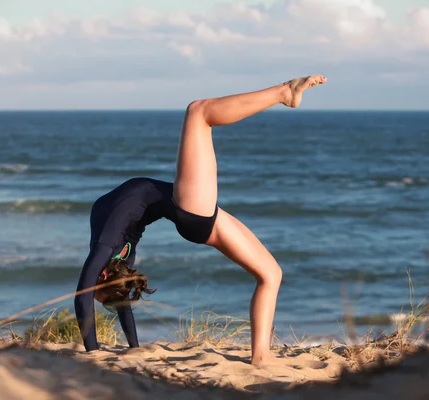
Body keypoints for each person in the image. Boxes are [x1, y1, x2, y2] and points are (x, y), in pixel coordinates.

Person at [74, 75, 327, 365]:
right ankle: (284, 92)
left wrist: (131, 347)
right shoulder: (113, 251)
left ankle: (260, 356)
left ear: (103, 277)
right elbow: (95, 296)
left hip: (195, 213)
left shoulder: (109, 249)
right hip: (190, 209)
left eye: (101, 296)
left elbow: (83, 296)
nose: (94, 290)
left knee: (271, 274)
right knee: (199, 112)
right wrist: (93, 357)